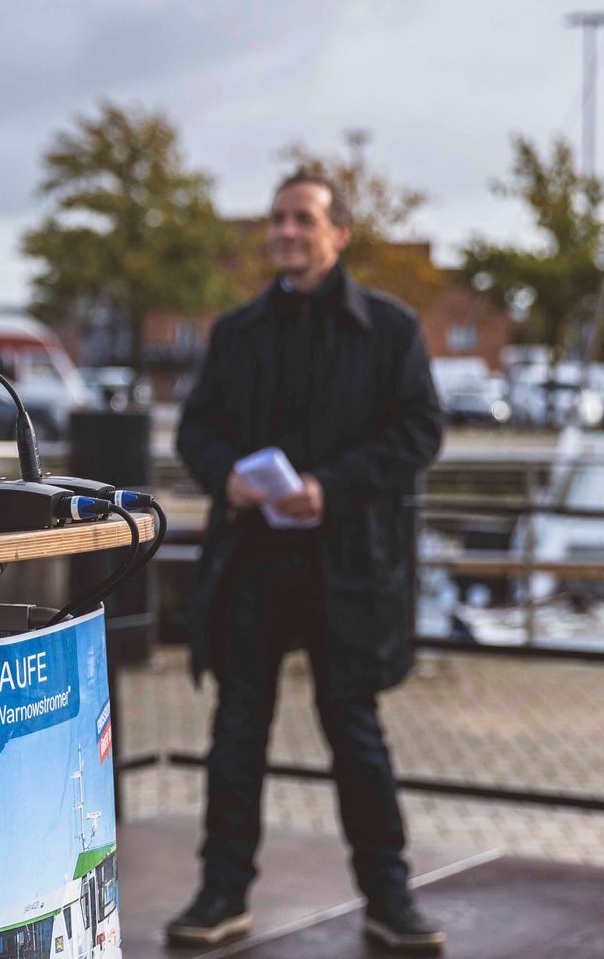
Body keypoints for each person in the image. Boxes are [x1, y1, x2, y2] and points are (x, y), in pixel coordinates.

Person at [168, 169, 446, 955]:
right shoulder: (237, 332)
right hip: (252, 563)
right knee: (235, 735)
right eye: (277, 219)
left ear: (339, 233)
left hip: (347, 567)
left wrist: (331, 489)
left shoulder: (389, 329)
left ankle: (391, 901)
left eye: (301, 219)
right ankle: (221, 895)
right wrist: (226, 477)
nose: (285, 232)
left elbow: (421, 432)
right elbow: (197, 431)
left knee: (355, 736)